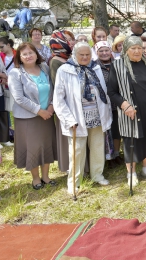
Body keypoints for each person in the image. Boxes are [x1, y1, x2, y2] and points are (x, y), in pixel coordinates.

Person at [107, 36, 146, 186]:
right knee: (131, 140)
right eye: (133, 48)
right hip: (130, 111)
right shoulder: (118, 65)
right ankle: (131, 173)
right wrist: (124, 105)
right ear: (126, 50)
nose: (137, 51)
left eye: (139, 48)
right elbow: (111, 91)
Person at [54, 42, 113, 195]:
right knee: (77, 150)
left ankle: (97, 175)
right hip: (77, 118)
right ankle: (74, 182)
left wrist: (106, 112)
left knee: (98, 146)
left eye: (88, 54)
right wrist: (68, 119)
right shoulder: (65, 70)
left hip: (97, 114)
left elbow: (103, 91)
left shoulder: (95, 67)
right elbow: (59, 99)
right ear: (75, 55)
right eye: (82, 55)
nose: (85, 57)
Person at [8, 43, 57, 189]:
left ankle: (46, 176)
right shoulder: (15, 73)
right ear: (19, 58)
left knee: (46, 145)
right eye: (25, 54)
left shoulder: (45, 68)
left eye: (31, 53)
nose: (28, 56)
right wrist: (39, 111)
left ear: (36, 54)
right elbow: (19, 98)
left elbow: (53, 89)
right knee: (33, 148)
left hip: (47, 115)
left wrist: (51, 107)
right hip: (28, 118)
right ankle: (36, 179)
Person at [49, 30, 76, 172]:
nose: (71, 42)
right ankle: (69, 167)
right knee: (67, 138)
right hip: (66, 105)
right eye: (67, 39)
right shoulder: (55, 61)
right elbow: (58, 87)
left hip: (76, 104)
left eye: (72, 39)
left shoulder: (69, 58)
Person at [94, 41, 122, 165]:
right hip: (101, 104)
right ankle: (105, 156)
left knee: (116, 130)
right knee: (104, 132)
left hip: (116, 103)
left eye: (106, 50)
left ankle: (116, 154)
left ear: (110, 51)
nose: (104, 53)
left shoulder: (117, 64)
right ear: (97, 52)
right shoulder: (94, 67)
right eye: (101, 51)